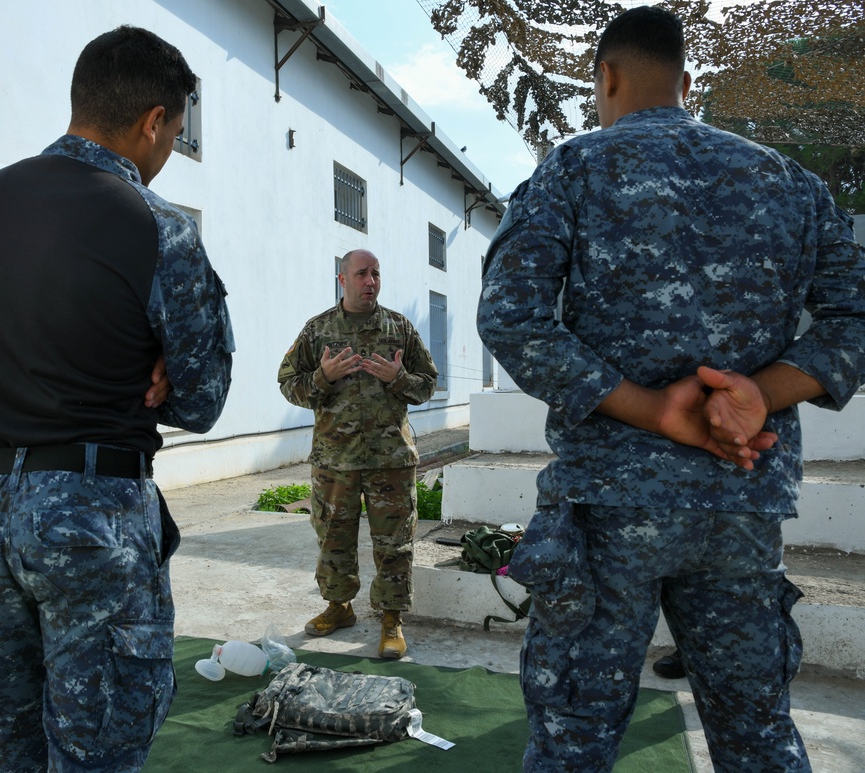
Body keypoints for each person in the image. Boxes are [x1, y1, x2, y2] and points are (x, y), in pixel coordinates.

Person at [477, 6, 865, 772]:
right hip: (740, 501)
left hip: (606, 512)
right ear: (687, 82)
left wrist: (650, 407)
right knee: (758, 737)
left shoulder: (574, 168)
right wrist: (759, 392)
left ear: (608, 77)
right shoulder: (789, 183)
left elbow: (510, 316)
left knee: (572, 742)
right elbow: (855, 320)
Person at [0, 26, 234, 771]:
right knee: (97, 745)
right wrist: (158, 364)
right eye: (174, 131)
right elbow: (202, 399)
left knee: (15, 741)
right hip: (88, 518)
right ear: (153, 121)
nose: (169, 149)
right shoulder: (155, 224)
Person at [278, 249, 438, 659]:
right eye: (362, 274)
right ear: (342, 280)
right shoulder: (317, 331)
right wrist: (322, 377)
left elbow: (428, 384)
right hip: (336, 461)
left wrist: (399, 378)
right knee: (333, 539)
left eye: (376, 275)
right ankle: (339, 606)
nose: (371, 282)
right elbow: (287, 383)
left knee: (394, 544)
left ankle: (390, 618)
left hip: (390, 460)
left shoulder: (399, 328)